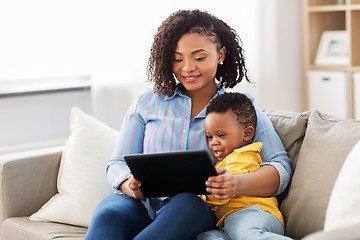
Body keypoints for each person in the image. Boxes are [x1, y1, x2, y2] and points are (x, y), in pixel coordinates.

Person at [85, 9, 291, 240]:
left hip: (194, 208)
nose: (187, 68)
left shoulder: (240, 111)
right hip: (141, 204)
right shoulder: (146, 102)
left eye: (199, 58)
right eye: (177, 58)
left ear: (220, 54)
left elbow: (280, 167)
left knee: (185, 201)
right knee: (109, 214)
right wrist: (127, 184)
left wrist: (235, 183)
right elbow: (117, 162)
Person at [197, 92, 290, 240]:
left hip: (253, 213)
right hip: (228, 221)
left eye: (221, 135)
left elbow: (220, 196)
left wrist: (199, 192)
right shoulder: (223, 162)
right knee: (207, 237)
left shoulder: (243, 156)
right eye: (210, 136)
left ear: (247, 134)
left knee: (248, 236)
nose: (213, 142)